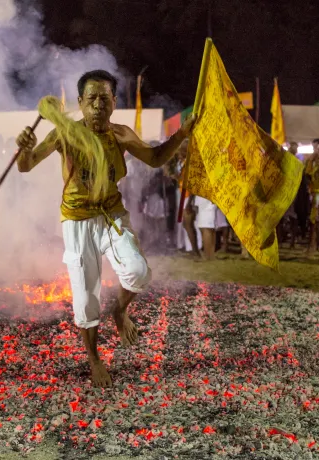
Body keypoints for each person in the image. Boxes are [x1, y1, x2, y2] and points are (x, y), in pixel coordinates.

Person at [15, 70, 196, 387]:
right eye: (91, 98)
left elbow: (154, 158)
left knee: (139, 271)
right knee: (85, 299)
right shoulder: (64, 133)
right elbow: (27, 165)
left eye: (105, 98)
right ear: (81, 103)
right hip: (77, 220)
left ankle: (119, 310)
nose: (98, 104)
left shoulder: (120, 134)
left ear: (114, 102)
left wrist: (181, 135)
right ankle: (95, 360)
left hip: (112, 214)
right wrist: (25, 147)